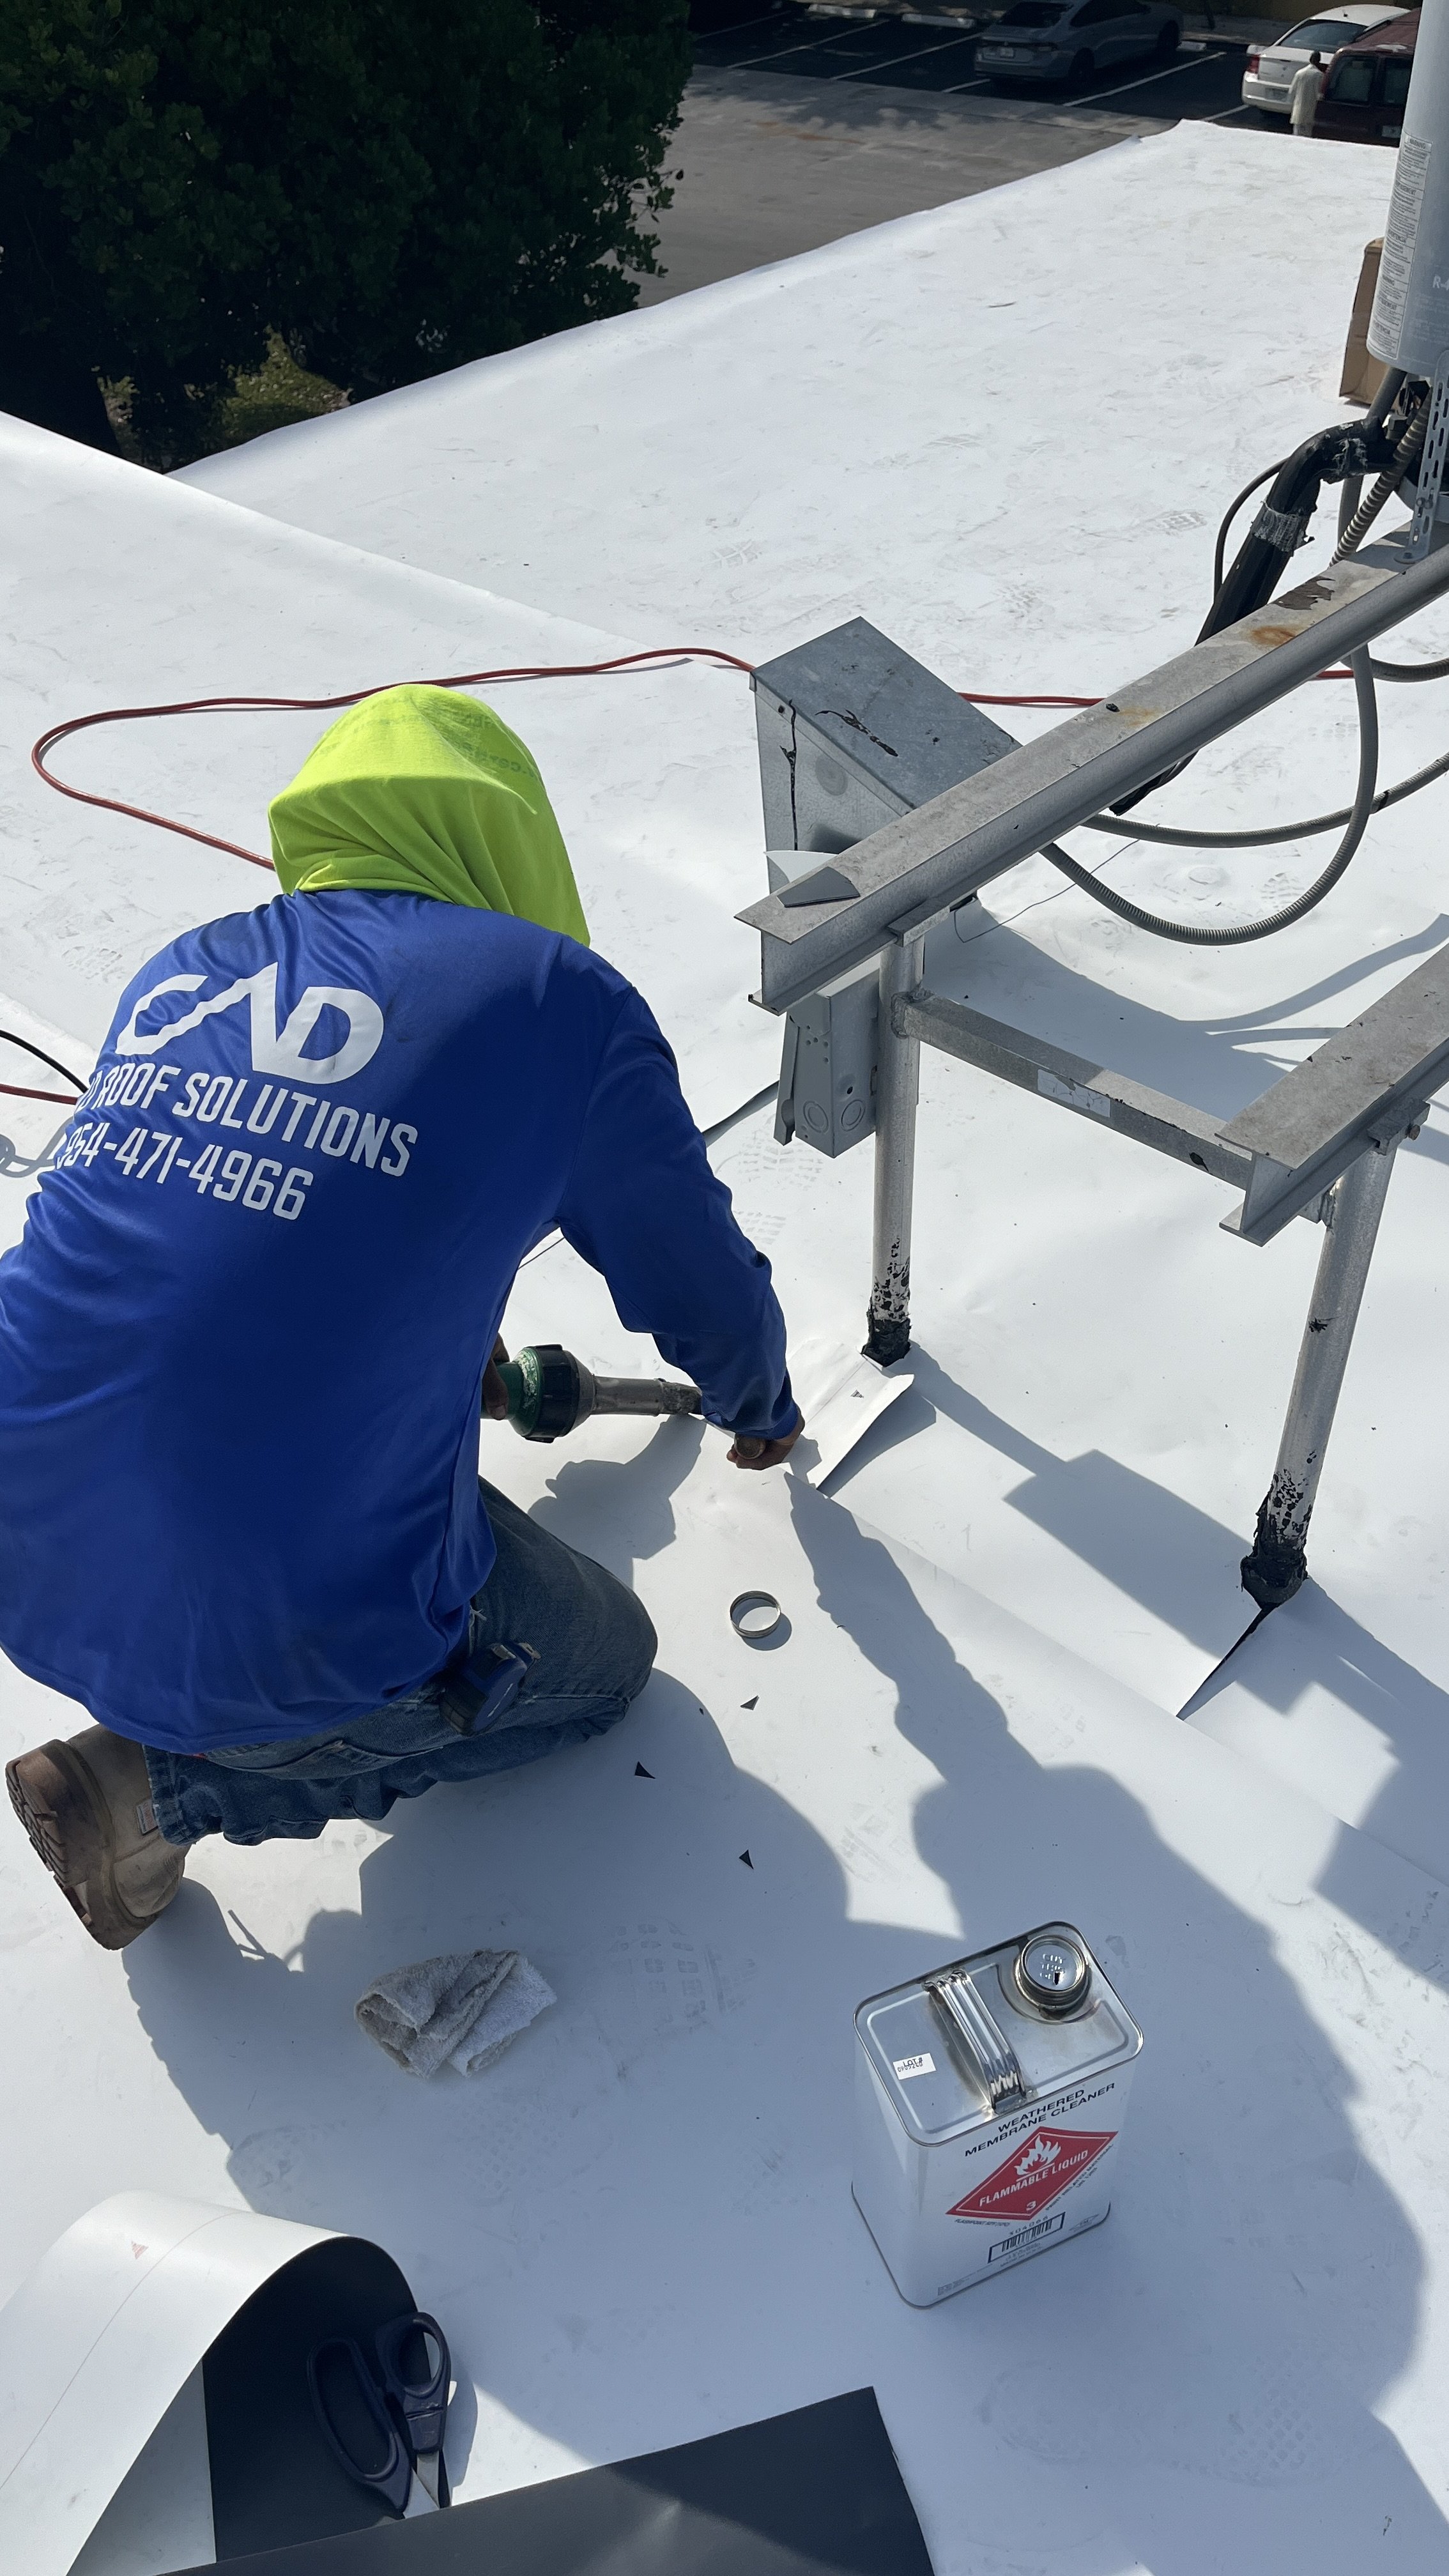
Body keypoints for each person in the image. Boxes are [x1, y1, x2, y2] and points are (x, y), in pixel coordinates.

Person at [1, 686, 801, 1949]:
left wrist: (459, 1356)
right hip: (267, 1605)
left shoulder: (189, 964)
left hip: (26, 1528)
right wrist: (759, 1403)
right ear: (509, 839)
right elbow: (694, 1281)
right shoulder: (559, 1001)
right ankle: (159, 1788)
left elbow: (232, 1240)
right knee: (606, 1669)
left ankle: (206, 1700)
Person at [1289, 49, 1324, 135]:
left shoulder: (1299, 73)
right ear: (1319, 60)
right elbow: (1319, 95)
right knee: (1307, 134)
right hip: (1311, 110)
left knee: (1296, 133)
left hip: (1298, 109)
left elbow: (1292, 91)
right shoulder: (1319, 75)